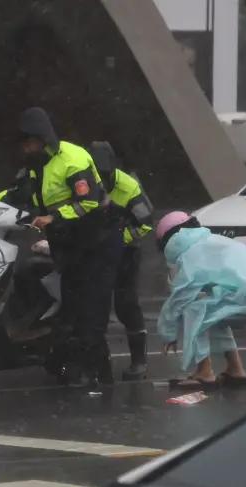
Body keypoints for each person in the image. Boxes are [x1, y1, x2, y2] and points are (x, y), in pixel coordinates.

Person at [0, 107, 122, 386]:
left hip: (97, 239)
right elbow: (15, 193)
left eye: (30, 141)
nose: (26, 147)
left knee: (91, 309)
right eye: (23, 142)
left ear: (43, 138)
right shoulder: (33, 167)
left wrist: (53, 217)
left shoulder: (72, 159)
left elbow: (88, 202)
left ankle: (99, 376)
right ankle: (71, 363)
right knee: (72, 306)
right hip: (69, 243)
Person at [155, 211, 246, 390]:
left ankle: (204, 373)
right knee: (215, 312)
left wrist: (168, 333)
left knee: (194, 309)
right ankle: (235, 370)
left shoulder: (192, 253)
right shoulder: (214, 241)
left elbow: (180, 298)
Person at [89, 141, 154, 381]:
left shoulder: (129, 186)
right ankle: (97, 362)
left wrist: (119, 239)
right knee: (95, 307)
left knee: (126, 304)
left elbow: (146, 223)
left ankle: (139, 361)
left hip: (125, 252)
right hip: (94, 251)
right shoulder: (83, 181)